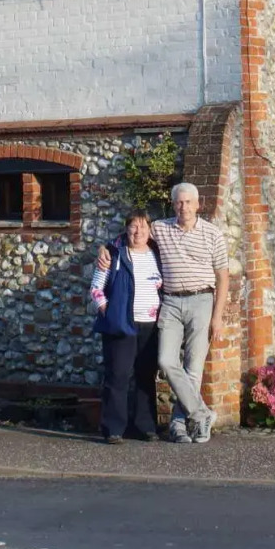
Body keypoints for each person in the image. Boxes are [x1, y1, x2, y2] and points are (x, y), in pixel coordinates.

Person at [101, 182, 228, 443]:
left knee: (194, 367)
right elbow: (133, 235)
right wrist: (104, 249)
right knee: (166, 361)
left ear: (198, 204)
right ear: (173, 204)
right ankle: (201, 412)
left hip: (202, 299)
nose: (184, 207)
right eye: (179, 202)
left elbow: (223, 276)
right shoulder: (160, 228)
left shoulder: (213, 234)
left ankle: (181, 425)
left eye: (188, 202)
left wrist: (217, 316)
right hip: (170, 302)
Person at [89, 210, 163, 444]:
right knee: (118, 376)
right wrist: (109, 313)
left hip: (150, 325)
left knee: (145, 376)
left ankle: (145, 426)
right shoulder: (113, 254)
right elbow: (96, 289)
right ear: (126, 229)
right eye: (133, 226)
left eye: (143, 227)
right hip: (121, 324)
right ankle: (114, 429)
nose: (138, 231)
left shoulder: (157, 254)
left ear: (149, 230)